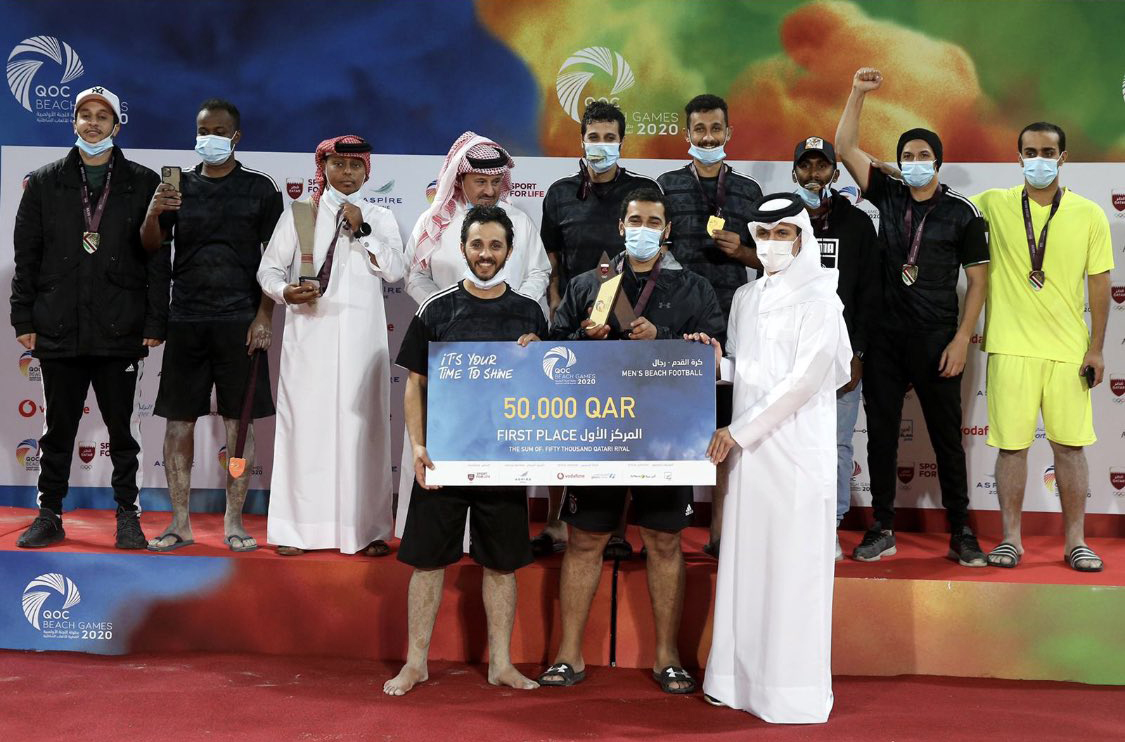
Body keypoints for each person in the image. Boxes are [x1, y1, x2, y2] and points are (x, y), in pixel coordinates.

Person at [538, 188, 724, 694]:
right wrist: (584, 339)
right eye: (635, 220)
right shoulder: (588, 284)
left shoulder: (695, 289)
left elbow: (714, 357)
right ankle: (568, 655)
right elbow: (552, 353)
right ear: (622, 227)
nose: (644, 229)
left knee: (664, 541)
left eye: (654, 222)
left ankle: (668, 658)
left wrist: (662, 339)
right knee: (584, 540)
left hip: (666, 437)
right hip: (598, 432)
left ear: (667, 230)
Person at [699, 193, 851, 724]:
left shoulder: (822, 299)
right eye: (763, 235)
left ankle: (790, 693)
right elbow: (750, 370)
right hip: (750, 459)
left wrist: (737, 432)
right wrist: (715, 366)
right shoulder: (745, 298)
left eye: (782, 233)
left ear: (802, 238)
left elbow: (805, 381)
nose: (771, 244)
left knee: (792, 573)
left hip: (795, 455)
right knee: (747, 566)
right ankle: (734, 682)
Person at [384, 205, 547, 696]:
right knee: (428, 562)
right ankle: (416, 663)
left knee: (501, 563)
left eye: (495, 245)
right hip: (444, 456)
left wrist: (537, 355)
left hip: (504, 459)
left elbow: (545, 389)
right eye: (477, 244)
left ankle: (501, 663)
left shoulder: (529, 313)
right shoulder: (435, 309)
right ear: (463, 248)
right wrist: (417, 445)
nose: (485, 254)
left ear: (509, 252)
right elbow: (414, 385)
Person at [835, 67, 989, 566]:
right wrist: (857, 93)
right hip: (885, 339)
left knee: (947, 440)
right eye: (908, 156)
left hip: (937, 339)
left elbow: (979, 281)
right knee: (881, 436)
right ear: (899, 162)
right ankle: (882, 527)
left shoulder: (963, 213)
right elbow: (844, 147)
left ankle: (961, 530)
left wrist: (962, 339)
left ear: (938, 162)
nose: (916, 163)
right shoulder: (889, 193)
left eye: (924, 156)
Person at [12, 86, 164, 550]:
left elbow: (158, 258)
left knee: (124, 433)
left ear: (117, 125)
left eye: (102, 116)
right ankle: (50, 514)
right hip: (58, 326)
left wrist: (155, 322)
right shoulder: (43, 182)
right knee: (57, 431)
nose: (93, 123)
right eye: (85, 115)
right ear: (73, 122)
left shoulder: (143, 182)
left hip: (121, 327)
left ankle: (128, 516)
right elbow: (27, 257)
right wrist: (23, 319)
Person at [971, 122, 1113, 572]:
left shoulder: (1090, 214)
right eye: (1030, 151)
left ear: (1063, 158)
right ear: (1019, 157)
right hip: (1010, 349)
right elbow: (935, 199)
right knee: (1012, 449)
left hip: (1069, 352)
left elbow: (1100, 285)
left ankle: (1076, 542)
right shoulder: (992, 203)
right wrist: (889, 171)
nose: (1038, 159)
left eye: (1047, 152)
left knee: (1070, 449)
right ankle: (1010, 539)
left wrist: (1096, 349)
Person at [395, 132, 550, 539]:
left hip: (505, 353)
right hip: (447, 352)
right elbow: (414, 275)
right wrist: (447, 313)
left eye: (496, 181)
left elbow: (539, 272)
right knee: (437, 441)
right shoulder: (435, 221)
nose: (489, 190)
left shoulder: (519, 221)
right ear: (460, 178)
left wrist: (513, 310)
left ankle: (490, 539)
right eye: (480, 181)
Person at [257, 135, 405, 556]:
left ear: (367, 172)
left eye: (355, 166)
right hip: (309, 339)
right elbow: (268, 270)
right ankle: (297, 530)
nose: (347, 173)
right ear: (323, 169)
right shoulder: (300, 213)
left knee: (364, 431)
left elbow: (396, 270)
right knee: (305, 430)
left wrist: (364, 230)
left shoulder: (379, 216)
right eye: (338, 165)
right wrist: (284, 291)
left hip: (362, 343)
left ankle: (368, 530)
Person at [145, 99, 282, 553]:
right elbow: (152, 246)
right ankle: (180, 522)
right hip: (186, 318)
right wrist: (153, 212)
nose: (210, 138)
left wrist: (264, 316)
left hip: (240, 322)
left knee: (238, 429)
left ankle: (234, 521)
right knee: (177, 426)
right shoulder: (176, 186)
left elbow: (275, 262)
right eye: (203, 130)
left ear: (235, 137)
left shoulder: (261, 188)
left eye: (219, 131)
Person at [537, 101, 660, 558]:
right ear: (582, 140)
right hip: (575, 320)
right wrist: (556, 306)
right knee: (563, 422)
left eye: (610, 138)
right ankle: (556, 523)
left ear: (622, 142)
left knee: (620, 424)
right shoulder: (559, 194)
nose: (601, 145)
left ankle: (616, 530)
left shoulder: (642, 190)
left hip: (630, 319)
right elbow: (552, 260)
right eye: (594, 137)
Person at [658, 93, 762, 559]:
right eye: (699, 130)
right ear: (687, 134)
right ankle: (667, 532)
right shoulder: (665, 186)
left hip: (731, 325)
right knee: (672, 427)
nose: (707, 137)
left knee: (726, 429)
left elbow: (767, 260)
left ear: (728, 133)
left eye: (715, 129)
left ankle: (721, 531)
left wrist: (742, 251)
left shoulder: (748, 192)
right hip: (675, 325)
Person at [791, 136, 881, 560]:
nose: (814, 174)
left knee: (837, 444)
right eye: (806, 166)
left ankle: (831, 524)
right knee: (788, 441)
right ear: (794, 172)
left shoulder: (857, 223)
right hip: (791, 354)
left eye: (822, 166)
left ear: (835, 172)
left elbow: (869, 294)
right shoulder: (781, 219)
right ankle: (792, 523)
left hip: (840, 355)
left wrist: (858, 353)